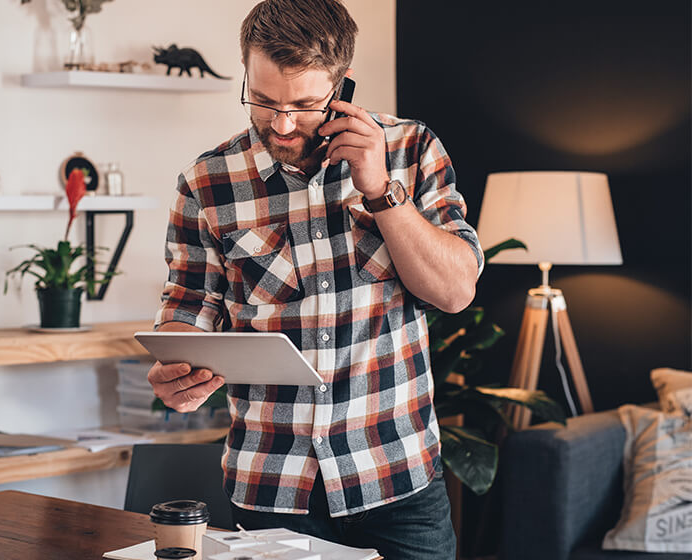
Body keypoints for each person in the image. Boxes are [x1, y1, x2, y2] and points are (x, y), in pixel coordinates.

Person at [148, 0, 483, 558]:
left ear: (342, 86)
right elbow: (189, 304)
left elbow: (454, 290)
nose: (281, 124)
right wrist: (176, 370)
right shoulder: (206, 183)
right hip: (272, 484)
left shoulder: (411, 149)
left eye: (304, 105)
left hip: (396, 479)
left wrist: (380, 190)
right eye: (263, 100)